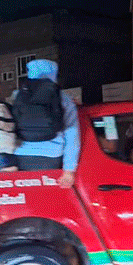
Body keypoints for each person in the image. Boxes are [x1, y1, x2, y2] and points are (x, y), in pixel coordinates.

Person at [11, 59, 79, 188]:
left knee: (25, 198)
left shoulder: (17, 96)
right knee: (47, 200)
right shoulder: (64, 99)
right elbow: (72, 134)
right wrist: (69, 171)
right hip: (51, 156)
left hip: (21, 154)